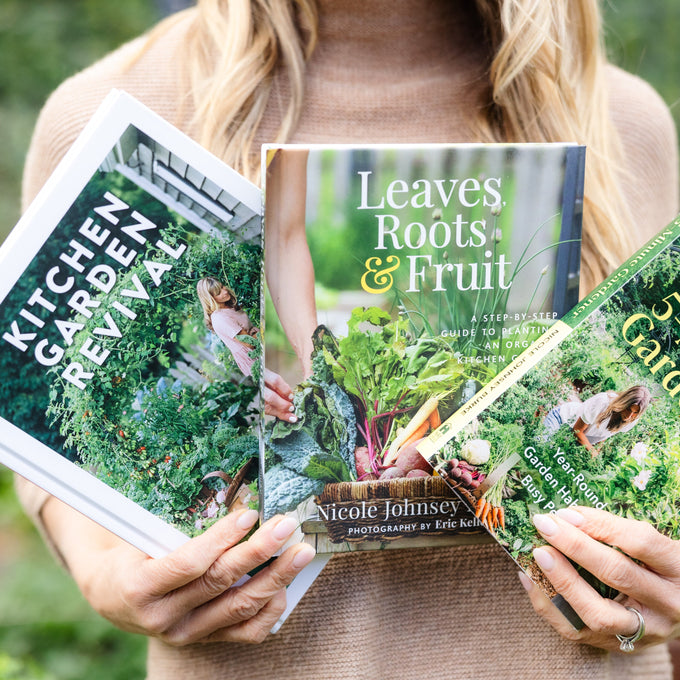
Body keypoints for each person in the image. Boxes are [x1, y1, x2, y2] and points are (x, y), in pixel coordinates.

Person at [14, 1, 680, 678]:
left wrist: (661, 600)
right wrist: (104, 571)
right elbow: (44, 453)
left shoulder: (622, 116)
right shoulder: (115, 106)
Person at [196, 275, 298, 422]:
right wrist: (257, 332)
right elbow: (249, 342)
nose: (225, 291)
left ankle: (292, 413)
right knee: (275, 386)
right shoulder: (219, 318)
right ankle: (291, 414)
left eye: (222, 286)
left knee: (277, 391)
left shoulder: (228, 307)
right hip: (251, 358)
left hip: (257, 349)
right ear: (210, 299)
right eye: (218, 292)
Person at [543, 386, 652, 454]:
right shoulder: (603, 402)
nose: (629, 416)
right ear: (623, 402)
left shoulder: (632, 420)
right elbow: (577, 430)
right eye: (628, 409)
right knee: (540, 445)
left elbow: (606, 434)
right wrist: (592, 452)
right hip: (562, 419)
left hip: (574, 437)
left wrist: (596, 451)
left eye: (635, 413)